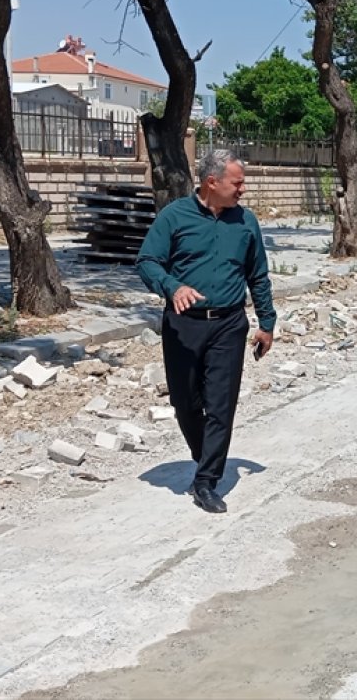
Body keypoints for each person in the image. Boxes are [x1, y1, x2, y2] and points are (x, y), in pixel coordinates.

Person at [136, 150, 276, 514]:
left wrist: (267, 323)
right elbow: (147, 261)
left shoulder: (246, 221)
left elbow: (258, 275)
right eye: (237, 182)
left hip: (229, 324)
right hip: (183, 325)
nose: (243, 189)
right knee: (185, 402)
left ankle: (206, 480)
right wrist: (172, 287)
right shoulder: (174, 216)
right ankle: (206, 456)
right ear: (212, 182)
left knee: (220, 405)